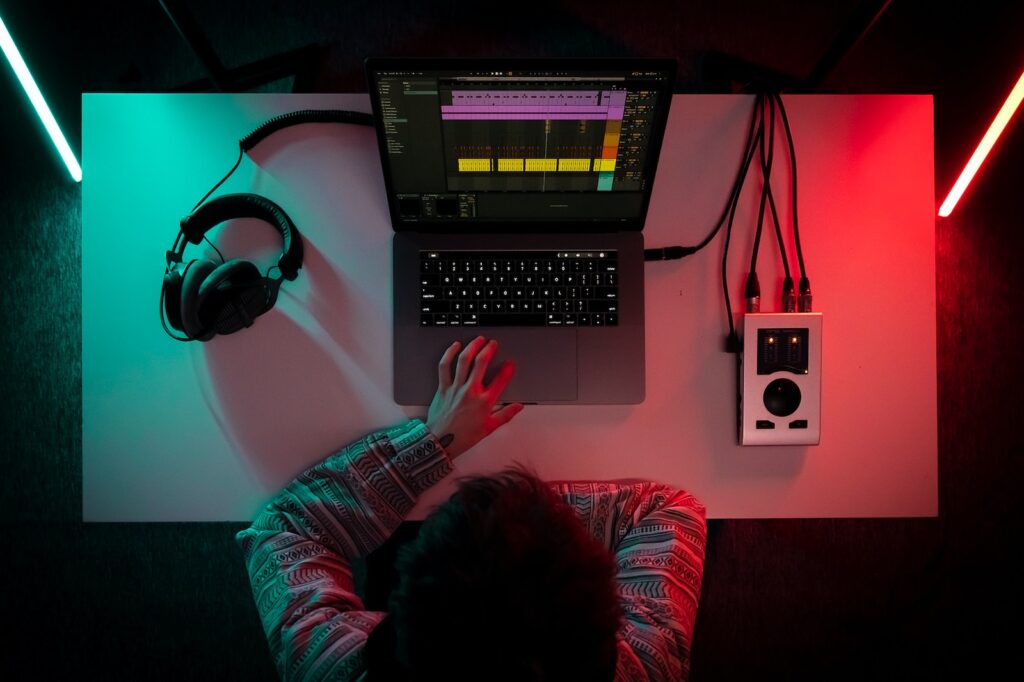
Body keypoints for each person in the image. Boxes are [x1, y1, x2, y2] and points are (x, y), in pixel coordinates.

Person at [237, 336, 706, 681]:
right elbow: (667, 509)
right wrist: (527, 518)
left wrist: (437, 441)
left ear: (396, 618)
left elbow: (288, 525)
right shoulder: (649, 666)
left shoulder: (333, 664)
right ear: (610, 632)